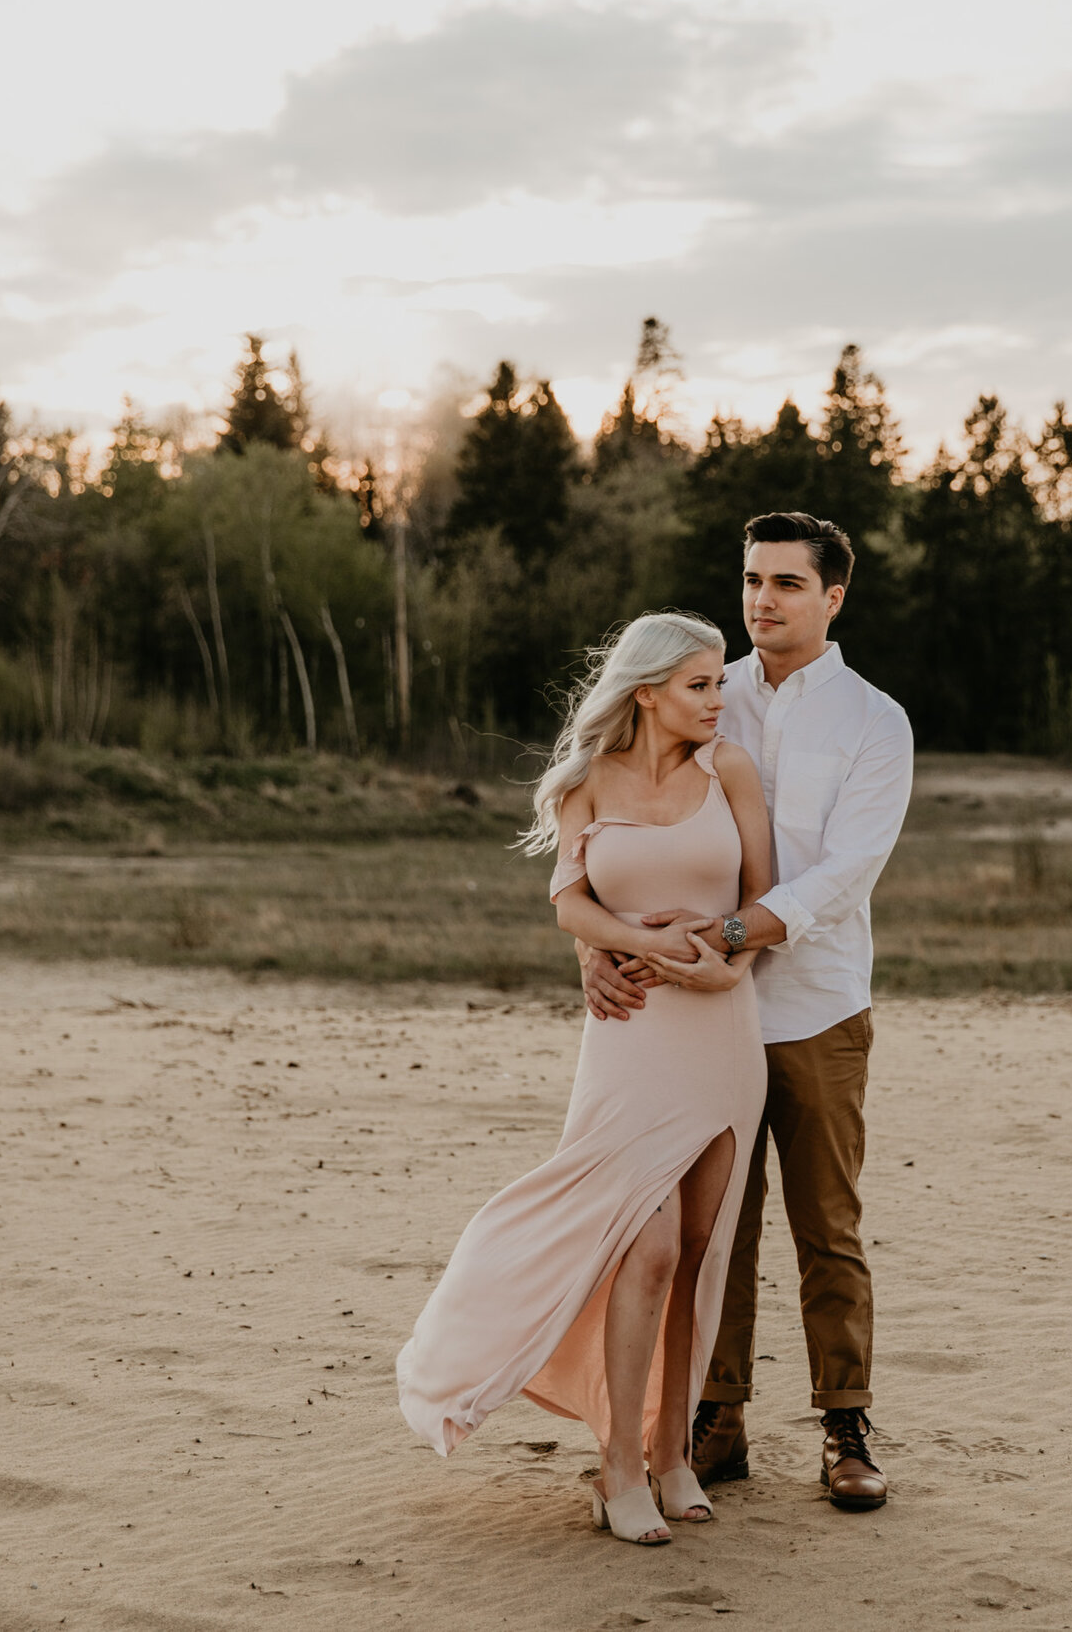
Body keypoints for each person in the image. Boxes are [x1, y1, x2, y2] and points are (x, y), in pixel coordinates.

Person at [395, 612, 773, 1546]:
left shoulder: (729, 772)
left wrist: (725, 966)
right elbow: (569, 898)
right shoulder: (584, 783)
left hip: (721, 1029)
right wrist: (629, 942)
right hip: (631, 1033)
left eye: (719, 682)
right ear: (646, 692)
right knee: (638, 1246)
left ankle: (672, 1453)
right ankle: (615, 1465)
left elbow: (765, 900)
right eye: (699, 685)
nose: (718, 700)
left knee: (697, 1250)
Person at [584, 512, 914, 1512]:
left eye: (786, 583)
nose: (763, 599)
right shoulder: (700, 696)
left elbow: (847, 871)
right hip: (692, 1023)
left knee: (827, 1222)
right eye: (752, 580)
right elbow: (621, 831)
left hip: (813, 1008)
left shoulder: (871, 720)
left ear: (832, 597)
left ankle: (844, 1422)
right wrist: (601, 944)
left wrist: (731, 935)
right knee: (708, 1228)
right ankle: (713, 1419)